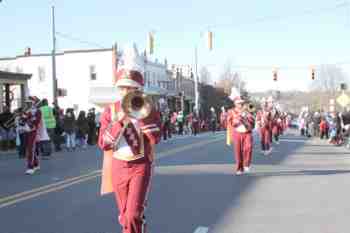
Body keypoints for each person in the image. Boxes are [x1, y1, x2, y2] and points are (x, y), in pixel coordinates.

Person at [98, 44, 161, 233]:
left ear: (138, 90)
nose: (126, 92)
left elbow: (155, 138)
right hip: (118, 165)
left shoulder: (147, 108)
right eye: (123, 88)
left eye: (131, 88)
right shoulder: (111, 110)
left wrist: (141, 117)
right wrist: (119, 121)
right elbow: (103, 143)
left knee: (133, 214)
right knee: (125, 216)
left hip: (140, 165)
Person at [227, 88, 255, 175]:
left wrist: (247, 116)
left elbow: (252, 121)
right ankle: (239, 168)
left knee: (249, 147)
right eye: (239, 103)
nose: (240, 104)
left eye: (241, 103)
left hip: (247, 132)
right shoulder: (231, 111)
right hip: (237, 133)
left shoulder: (247, 110)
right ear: (235, 103)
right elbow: (229, 122)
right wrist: (238, 118)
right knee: (238, 151)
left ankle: (246, 164)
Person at [24, 96, 42, 175]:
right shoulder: (27, 110)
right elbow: (23, 120)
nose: (27, 104)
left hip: (33, 131)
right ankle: (36, 164)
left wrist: (28, 119)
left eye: (29, 102)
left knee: (30, 149)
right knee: (30, 148)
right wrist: (21, 119)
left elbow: (36, 122)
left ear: (33, 103)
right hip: (26, 131)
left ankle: (30, 167)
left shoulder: (37, 111)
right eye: (27, 103)